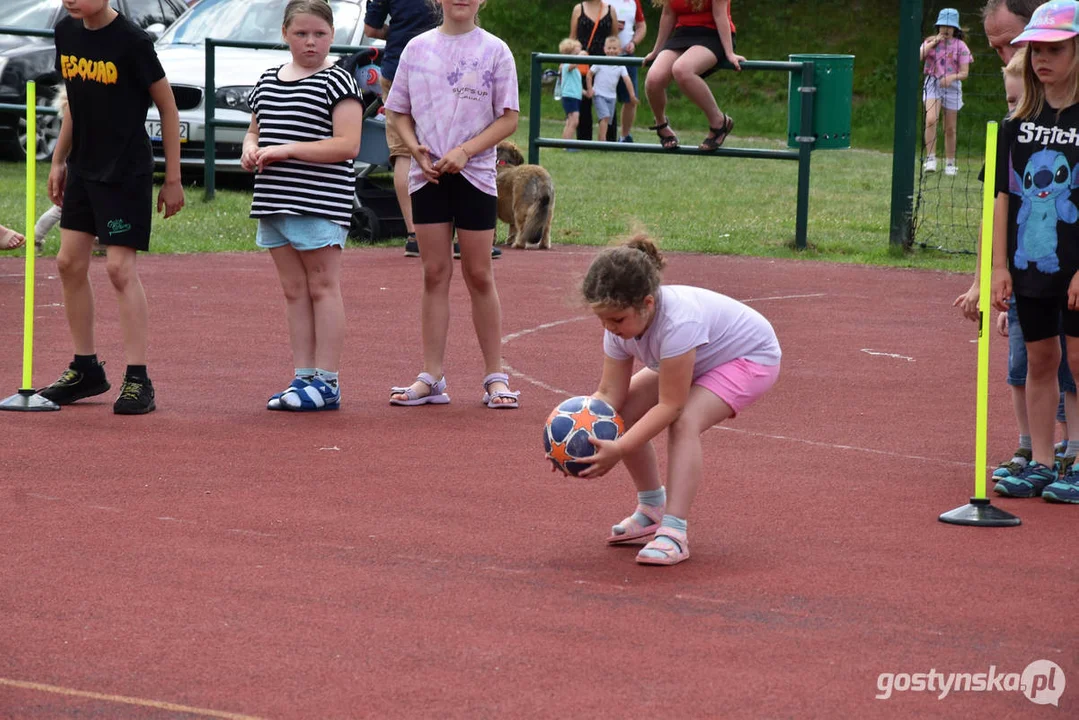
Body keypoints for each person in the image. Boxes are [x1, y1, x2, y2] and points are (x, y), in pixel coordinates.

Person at [576, 234, 781, 565]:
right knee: (623, 414)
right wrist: (575, 429)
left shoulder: (678, 321)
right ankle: (652, 505)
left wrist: (621, 448)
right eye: (602, 320)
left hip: (750, 359)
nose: (610, 327)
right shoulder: (618, 326)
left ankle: (674, 531)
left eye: (616, 320)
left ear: (648, 304)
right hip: (698, 356)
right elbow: (609, 395)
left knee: (684, 421)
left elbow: (670, 405)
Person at [37, 0, 185, 414]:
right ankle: (86, 369)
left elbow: (168, 108)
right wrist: (59, 159)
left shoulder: (133, 41)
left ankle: (138, 378)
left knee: (120, 269)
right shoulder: (67, 32)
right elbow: (76, 105)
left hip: (125, 171)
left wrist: (172, 179)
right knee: (68, 263)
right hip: (84, 166)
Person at [385, 0, 521, 409]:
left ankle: (495, 376)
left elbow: (509, 118)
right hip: (427, 176)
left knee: (479, 273)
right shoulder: (416, 48)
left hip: (476, 176)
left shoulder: (495, 50)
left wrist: (465, 151)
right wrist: (415, 150)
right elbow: (397, 110)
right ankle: (432, 377)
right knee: (434, 273)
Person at [242, 0, 363, 412]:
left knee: (322, 286)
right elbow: (254, 131)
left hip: (319, 201)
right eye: (300, 34)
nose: (310, 42)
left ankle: (328, 382)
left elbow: (348, 144)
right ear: (285, 35)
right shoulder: (266, 80)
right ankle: (304, 376)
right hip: (274, 202)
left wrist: (287, 150)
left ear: (332, 36)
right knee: (294, 292)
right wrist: (251, 149)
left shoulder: (339, 81)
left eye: (319, 34)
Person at [990, 0, 1079, 503]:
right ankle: (1042, 462)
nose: (1042, 59)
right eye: (1035, 50)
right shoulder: (1018, 122)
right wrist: (1000, 266)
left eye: (1054, 49)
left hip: (1075, 266)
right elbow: (1004, 198)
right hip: (1030, 265)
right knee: (1041, 360)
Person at [362, 0, 441, 259]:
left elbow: (371, 30)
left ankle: (414, 234)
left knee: (402, 152)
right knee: (443, 145)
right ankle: (447, 230)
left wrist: (396, 30)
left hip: (396, 68)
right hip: (439, 67)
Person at [643, 0, 745, 152]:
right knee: (654, 78)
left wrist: (729, 53)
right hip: (683, 34)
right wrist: (656, 51)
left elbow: (720, 15)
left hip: (713, 34)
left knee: (682, 69)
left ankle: (719, 122)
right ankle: (661, 125)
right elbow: (668, 14)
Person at [920, 8, 972, 175]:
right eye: (943, 26)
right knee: (930, 119)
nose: (946, 29)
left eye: (950, 26)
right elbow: (919, 56)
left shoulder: (961, 46)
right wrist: (933, 43)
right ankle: (930, 160)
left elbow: (964, 73)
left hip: (952, 86)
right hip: (932, 83)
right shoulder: (930, 42)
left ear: (956, 29)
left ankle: (950, 163)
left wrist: (951, 78)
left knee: (950, 128)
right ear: (938, 27)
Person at [570, 1, 619, 143]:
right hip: (583, 62)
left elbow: (614, 38)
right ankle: (583, 140)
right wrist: (570, 58)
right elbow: (572, 38)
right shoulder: (578, 9)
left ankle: (609, 140)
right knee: (584, 100)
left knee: (607, 98)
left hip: (605, 63)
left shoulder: (610, 10)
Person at [608, 0, 647, 142]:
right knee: (603, 96)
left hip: (627, 56)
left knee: (631, 98)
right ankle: (604, 135)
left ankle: (625, 135)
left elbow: (641, 26)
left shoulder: (634, 2)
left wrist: (634, 42)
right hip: (605, 56)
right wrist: (610, 26)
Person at [588, 36, 638, 143]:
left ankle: (601, 140)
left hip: (611, 96)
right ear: (604, 49)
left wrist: (632, 95)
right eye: (609, 48)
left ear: (619, 50)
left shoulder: (621, 65)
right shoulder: (600, 61)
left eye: (614, 48)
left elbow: (627, 80)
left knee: (606, 120)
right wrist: (590, 89)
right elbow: (589, 74)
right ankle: (602, 142)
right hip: (599, 94)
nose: (611, 51)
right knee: (605, 117)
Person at [558, 38, 586, 144]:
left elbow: (575, 84)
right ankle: (568, 144)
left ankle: (565, 143)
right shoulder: (566, 65)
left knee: (570, 121)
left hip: (574, 96)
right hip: (569, 96)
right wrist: (581, 55)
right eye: (576, 52)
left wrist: (585, 92)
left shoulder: (575, 69)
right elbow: (573, 64)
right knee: (574, 121)